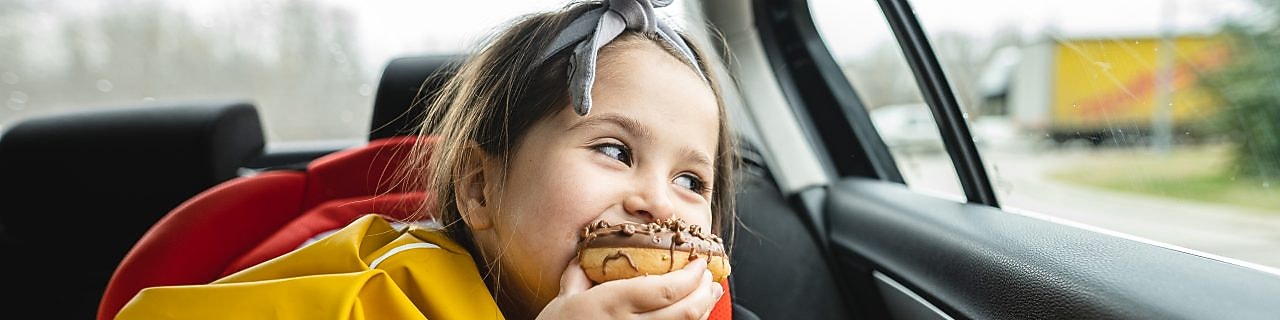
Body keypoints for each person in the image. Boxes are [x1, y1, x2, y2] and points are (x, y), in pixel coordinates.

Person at [115, 0, 740, 319]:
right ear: (478, 189)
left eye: (691, 179)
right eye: (613, 149)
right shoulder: (384, 294)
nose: (657, 200)